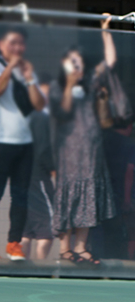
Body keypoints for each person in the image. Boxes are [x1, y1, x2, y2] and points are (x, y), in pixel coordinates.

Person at [49, 15, 118, 265]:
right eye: (72, 63)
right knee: (69, 199)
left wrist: (105, 31)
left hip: (91, 153)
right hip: (69, 155)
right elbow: (62, 112)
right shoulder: (58, 88)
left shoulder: (91, 82)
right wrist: (68, 84)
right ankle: (65, 248)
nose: (77, 67)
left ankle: (81, 248)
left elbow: (110, 62)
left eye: (79, 63)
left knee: (88, 199)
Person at [0, 26, 45, 260]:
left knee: (21, 195)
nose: (17, 48)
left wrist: (28, 78)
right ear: (1, 44)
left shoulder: (26, 69)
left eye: (21, 44)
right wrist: (9, 67)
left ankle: (14, 244)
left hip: (25, 142)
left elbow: (38, 104)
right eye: (13, 43)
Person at [19, 74, 55, 260]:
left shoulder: (26, 115)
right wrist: (53, 168)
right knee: (47, 228)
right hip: (37, 175)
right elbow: (44, 150)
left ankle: (21, 269)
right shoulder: (40, 117)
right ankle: (40, 268)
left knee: (26, 229)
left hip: (23, 175)